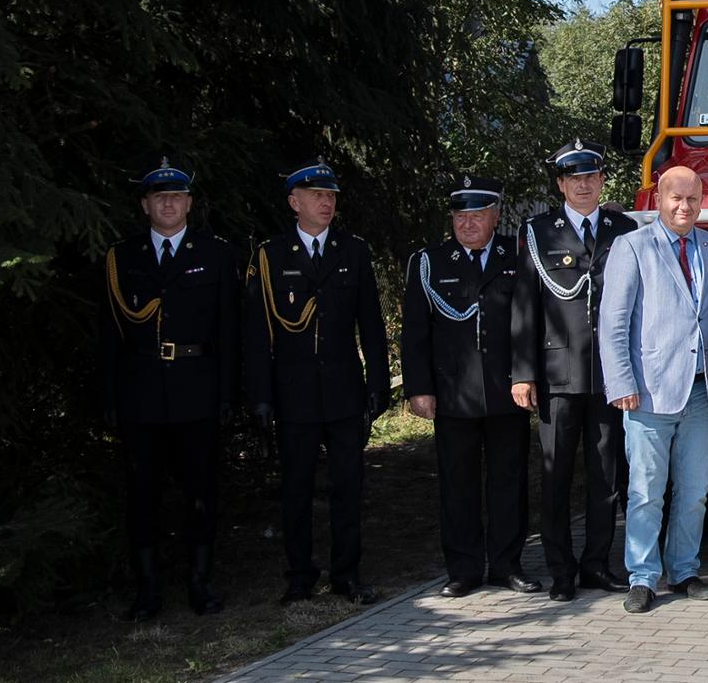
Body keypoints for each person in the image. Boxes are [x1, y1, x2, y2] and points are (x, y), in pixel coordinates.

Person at [99, 157, 238, 620]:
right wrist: (110, 397)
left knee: (200, 492)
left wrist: (226, 394)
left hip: (196, 388)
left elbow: (228, 331)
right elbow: (108, 336)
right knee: (143, 495)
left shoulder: (215, 254)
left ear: (189, 204)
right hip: (140, 393)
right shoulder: (123, 258)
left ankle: (199, 583)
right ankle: (148, 588)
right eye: (160, 198)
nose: (169, 204)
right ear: (145, 205)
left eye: (176, 197)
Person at [245, 156, 389, 605]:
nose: (326, 203)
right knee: (296, 491)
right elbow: (256, 333)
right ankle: (300, 577)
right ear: (294, 202)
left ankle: (346, 574)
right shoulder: (270, 256)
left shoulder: (353, 250)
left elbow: (372, 324)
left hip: (344, 391)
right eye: (316, 196)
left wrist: (378, 386)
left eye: (330, 196)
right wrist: (261, 396)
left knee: (348, 487)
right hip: (295, 395)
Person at [399, 175, 541, 599]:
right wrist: (418, 388)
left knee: (508, 482)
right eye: (460, 216)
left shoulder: (516, 254)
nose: (467, 224)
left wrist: (525, 375)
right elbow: (414, 333)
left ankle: (506, 565)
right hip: (453, 393)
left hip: (506, 391)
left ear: (495, 216)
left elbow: (529, 322)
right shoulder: (430, 262)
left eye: (476, 216)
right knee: (456, 485)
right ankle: (462, 569)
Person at [510, 139, 639, 602]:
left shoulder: (624, 229)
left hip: (609, 375)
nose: (583, 185)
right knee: (556, 476)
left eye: (591, 177)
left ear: (602, 181)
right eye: (574, 178)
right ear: (562, 184)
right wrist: (522, 372)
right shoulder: (537, 232)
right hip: (557, 374)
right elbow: (524, 307)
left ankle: (596, 566)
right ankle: (561, 571)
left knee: (606, 477)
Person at [599, 166, 708, 614]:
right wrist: (620, 383)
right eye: (676, 198)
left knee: (694, 491)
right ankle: (643, 575)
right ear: (659, 199)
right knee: (646, 491)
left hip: (700, 393)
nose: (684, 206)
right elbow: (614, 323)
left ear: (702, 200)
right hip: (648, 393)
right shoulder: (632, 247)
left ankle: (685, 569)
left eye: (693, 198)